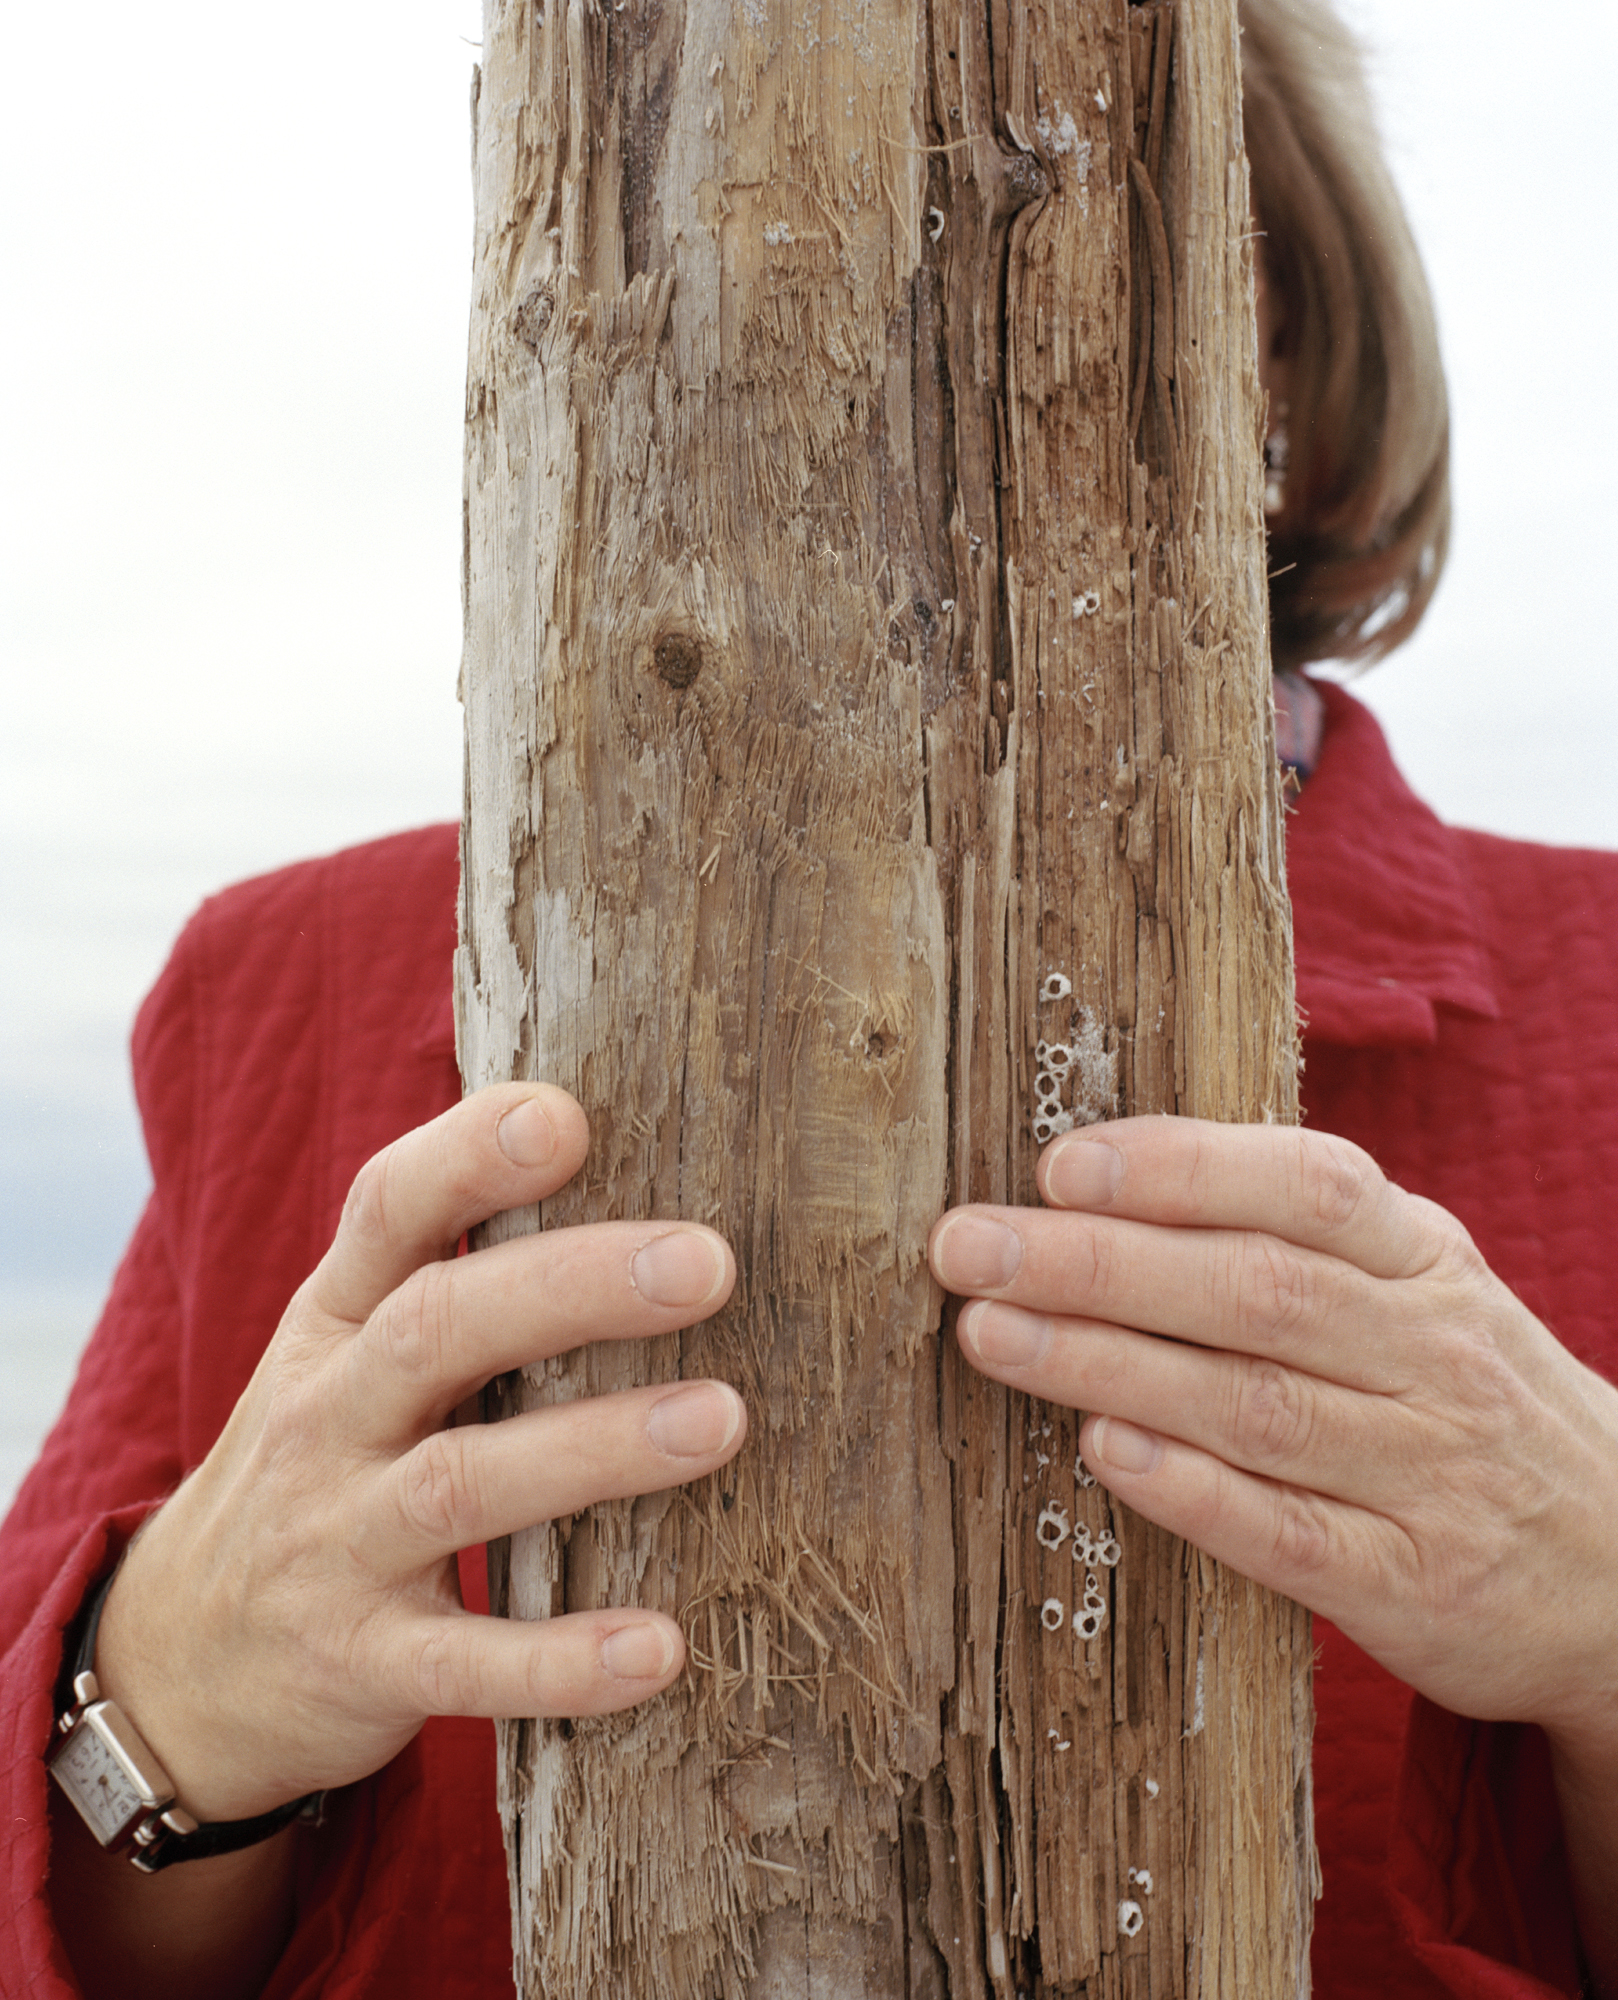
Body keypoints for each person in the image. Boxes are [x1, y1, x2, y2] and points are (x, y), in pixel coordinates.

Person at [5, 0, 1617, 1994]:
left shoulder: (1599, 995)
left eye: (1029, 217)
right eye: (712, 253)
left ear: (1279, 344)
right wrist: (157, 1704)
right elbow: (69, 1895)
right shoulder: (289, 991)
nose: (851, 342)